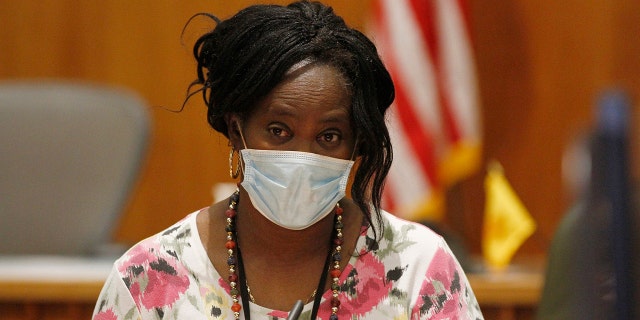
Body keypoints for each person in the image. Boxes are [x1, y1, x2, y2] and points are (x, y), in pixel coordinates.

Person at [92, 1, 483, 319]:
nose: (302, 156)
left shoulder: (419, 269)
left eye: (329, 137)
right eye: (278, 131)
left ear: (356, 146)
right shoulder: (147, 278)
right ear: (235, 129)